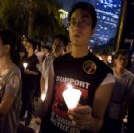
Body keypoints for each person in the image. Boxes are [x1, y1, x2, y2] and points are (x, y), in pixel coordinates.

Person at [39, 2, 115, 133]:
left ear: (92, 30)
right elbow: (47, 103)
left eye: (84, 21)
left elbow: (98, 121)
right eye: (73, 22)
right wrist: (39, 109)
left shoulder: (104, 74)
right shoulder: (56, 64)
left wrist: (89, 122)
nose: (77, 26)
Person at [103, 49, 134, 133]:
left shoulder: (130, 77)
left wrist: (122, 111)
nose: (122, 61)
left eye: (125, 59)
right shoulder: (108, 72)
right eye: (120, 58)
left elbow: (128, 97)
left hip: (118, 109)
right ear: (115, 60)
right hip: (105, 107)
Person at [40, 34, 68, 101]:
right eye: (55, 43)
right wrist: (43, 94)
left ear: (64, 47)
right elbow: (43, 78)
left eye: (59, 44)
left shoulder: (66, 63)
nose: (56, 46)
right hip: (47, 96)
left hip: (59, 98)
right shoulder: (47, 60)